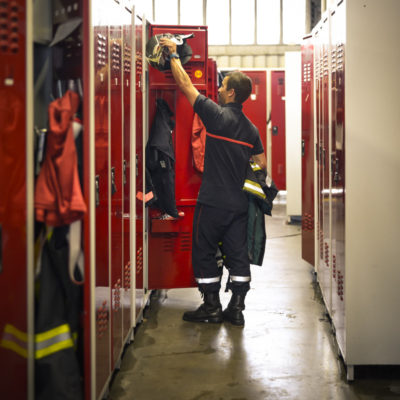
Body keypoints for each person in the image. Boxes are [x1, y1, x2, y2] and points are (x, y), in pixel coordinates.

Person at [159, 37, 267, 326]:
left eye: (222, 86)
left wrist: (172, 56)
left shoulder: (217, 117)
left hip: (213, 202)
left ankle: (210, 306)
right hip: (239, 204)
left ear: (231, 93)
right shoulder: (252, 129)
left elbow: (185, 86)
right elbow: (262, 164)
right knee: (236, 253)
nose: (217, 89)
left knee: (205, 250)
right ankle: (237, 308)